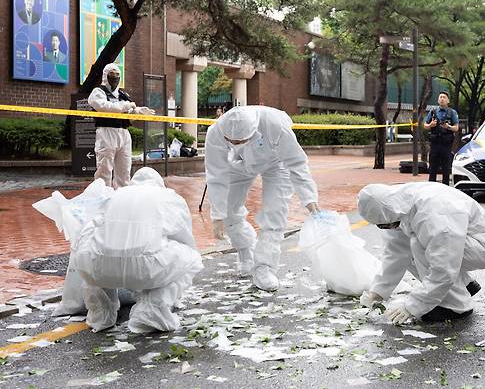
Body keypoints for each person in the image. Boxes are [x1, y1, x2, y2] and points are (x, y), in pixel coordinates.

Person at [69, 168, 204, 333]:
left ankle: (101, 314)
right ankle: (151, 310)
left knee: (92, 250)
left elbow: (89, 229)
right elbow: (184, 239)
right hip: (145, 268)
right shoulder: (170, 197)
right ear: (159, 184)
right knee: (192, 259)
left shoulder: (114, 195)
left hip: (97, 267)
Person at [205, 106, 319, 291]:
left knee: (274, 215)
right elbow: (216, 174)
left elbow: (296, 162)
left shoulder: (275, 124)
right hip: (238, 165)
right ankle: (245, 250)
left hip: (276, 164)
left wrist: (309, 198)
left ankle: (265, 268)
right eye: (231, 141)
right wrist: (217, 215)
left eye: (241, 140)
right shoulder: (215, 132)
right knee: (229, 213)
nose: (235, 142)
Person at [357, 183, 485, 324]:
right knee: (413, 244)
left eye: (386, 224)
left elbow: (444, 266)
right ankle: (466, 285)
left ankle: (455, 306)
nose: (387, 227)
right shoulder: (399, 204)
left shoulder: (433, 214)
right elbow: (395, 253)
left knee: (417, 244)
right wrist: (377, 292)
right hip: (461, 243)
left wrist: (413, 306)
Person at [88, 63, 155, 189]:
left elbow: (129, 111)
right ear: (105, 75)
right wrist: (126, 105)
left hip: (124, 134)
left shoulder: (122, 95)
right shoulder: (98, 92)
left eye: (117, 75)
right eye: (112, 74)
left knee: (124, 172)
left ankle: (122, 200)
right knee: (104, 171)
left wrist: (138, 111)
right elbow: (104, 107)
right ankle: (103, 200)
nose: (114, 77)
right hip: (106, 133)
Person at [423, 91, 459, 184]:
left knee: (446, 168)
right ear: (438, 100)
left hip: (446, 144)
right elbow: (425, 125)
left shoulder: (452, 112)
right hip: (435, 144)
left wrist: (448, 127)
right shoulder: (432, 112)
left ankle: (446, 187)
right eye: (440, 97)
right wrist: (431, 125)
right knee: (432, 168)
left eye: (444, 97)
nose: (442, 99)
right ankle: (432, 186)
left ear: (448, 100)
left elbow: (456, 128)